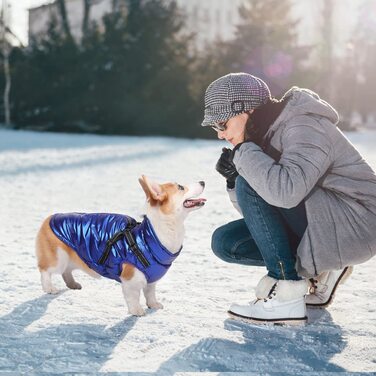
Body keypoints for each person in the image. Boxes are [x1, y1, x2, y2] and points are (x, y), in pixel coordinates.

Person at [202, 72, 376, 325]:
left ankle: (287, 293)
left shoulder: (304, 125)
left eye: (222, 124)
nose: (220, 134)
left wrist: (244, 154)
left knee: (253, 180)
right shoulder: (265, 135)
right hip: (325, 220)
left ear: (245, 111)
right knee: (226, 242)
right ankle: (325, 270)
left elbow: (285, 192)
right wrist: (233, 179)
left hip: (358, 222)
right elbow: (261, 216)